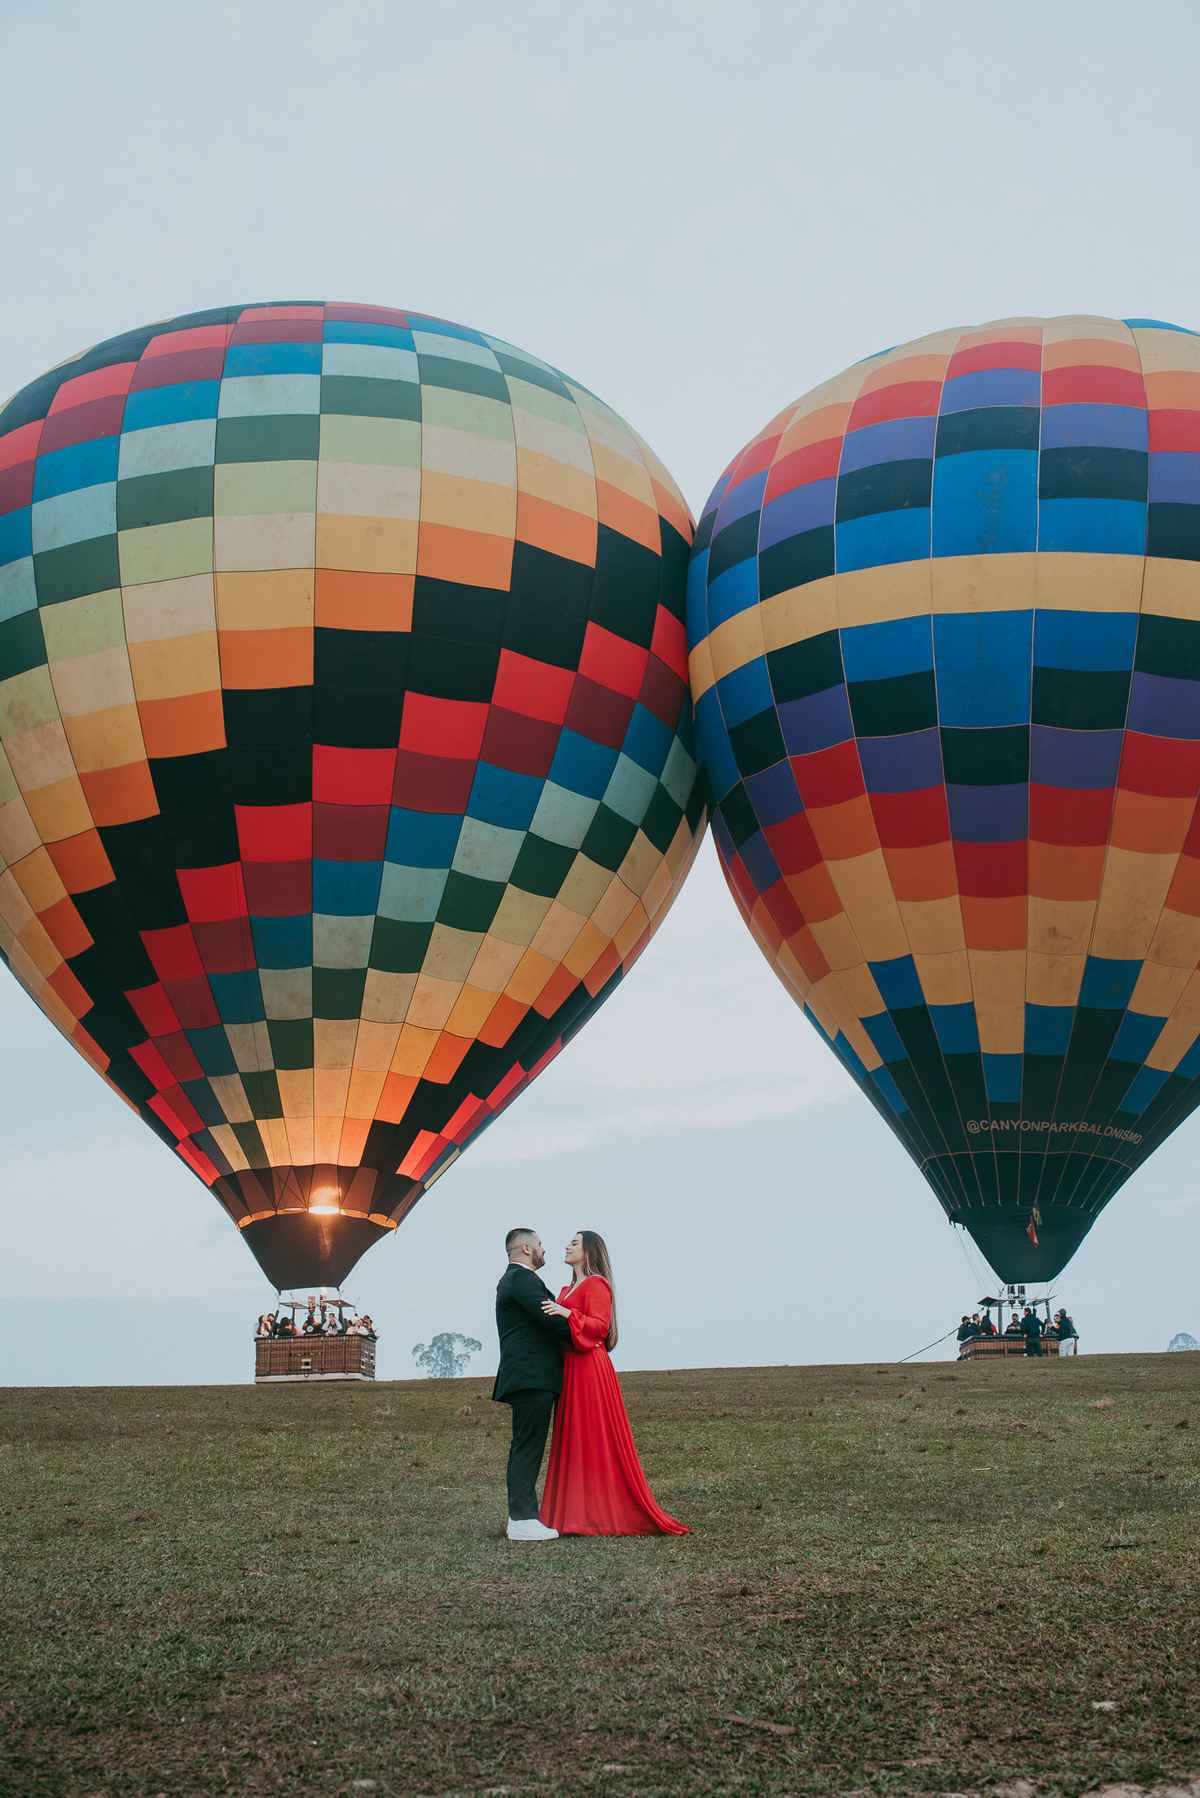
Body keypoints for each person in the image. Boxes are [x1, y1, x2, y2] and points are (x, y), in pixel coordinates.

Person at [538, 1231, 689, 1537]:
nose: (566, 1246)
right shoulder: (567, 1288)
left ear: (590, 1251)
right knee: (573, 1436)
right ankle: (572, 1514)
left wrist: (567, 1313)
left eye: (574, 1243)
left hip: (590, 1369)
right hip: (569, 1369)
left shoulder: (597, 1284)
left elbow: (600, 1326)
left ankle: (599, 1511)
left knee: (593, 1436)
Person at [492, 1227, 571, 1543]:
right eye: (539, 1244)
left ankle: (523, 1518)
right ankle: (522, 1519)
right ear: (525, 1248)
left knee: (528, 1446)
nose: (544, 1249)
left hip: (531, 1374)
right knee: (527, 1447)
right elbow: (550, 1319)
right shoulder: (521, 1280)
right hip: (530, 1374)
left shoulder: (516, 1280)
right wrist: (589, 1330)